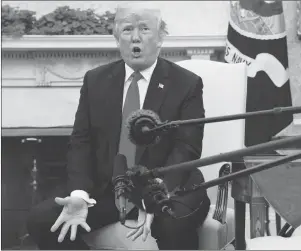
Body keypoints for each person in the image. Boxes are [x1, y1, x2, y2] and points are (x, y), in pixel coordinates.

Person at [27, 2, 210, 250]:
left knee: (172, 225)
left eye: (145, 29)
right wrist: (79, 193)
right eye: (127, 30)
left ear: (160, 37)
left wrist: (155, 196)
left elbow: (187, 147)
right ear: (117, 38)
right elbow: (81, 142)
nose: (135, 38)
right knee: (42, 220)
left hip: (169, 186)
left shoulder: (186, 83)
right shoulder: (96, 80)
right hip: (111, 190)